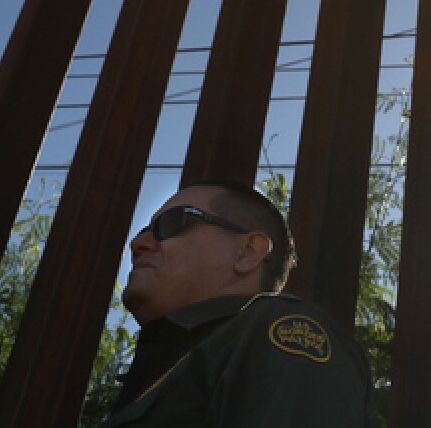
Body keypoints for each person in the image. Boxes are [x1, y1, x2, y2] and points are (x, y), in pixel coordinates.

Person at [102, 179, 372, 427]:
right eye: (143, 231)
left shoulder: (278, 329)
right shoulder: (170, 367)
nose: (138, 243)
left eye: (172, 222)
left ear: (248, 252)